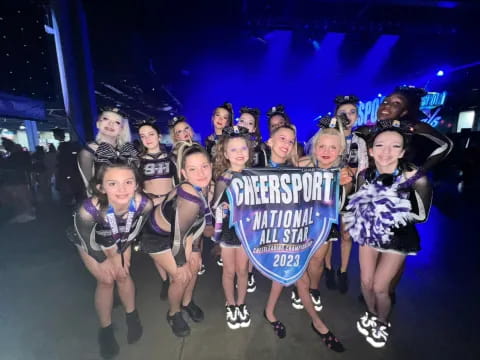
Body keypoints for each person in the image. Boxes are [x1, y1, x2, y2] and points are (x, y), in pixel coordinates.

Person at [344, 126, 432, 348]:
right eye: (380, 145)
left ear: (402, 152)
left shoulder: (414, 176)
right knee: (365, 281)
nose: (387, 152)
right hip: (369, 232)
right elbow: (356, 204)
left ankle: (383, 322)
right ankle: (372, 314)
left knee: (380, 287)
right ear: (371, 150)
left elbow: (421, 216)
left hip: (399, 236)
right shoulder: (366, 174)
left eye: (395, 146)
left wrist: (391, 207)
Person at [68, 156, 153, 359]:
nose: (122, 189)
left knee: (123, 274)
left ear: (137, 185)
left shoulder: (145, 205)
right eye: (113, 183)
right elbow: (86, 239)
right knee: (106, 280)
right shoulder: (89, 210)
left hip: (122, 236)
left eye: (128, 182)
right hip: (91, 241)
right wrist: (106, 258)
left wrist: (119, 253)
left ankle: (132, 317)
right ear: (101, 187)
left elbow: (134, 232)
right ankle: (105, 330)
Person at [139, 143, 212, 337]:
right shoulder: (189, 195)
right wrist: (181, 264)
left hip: (181, 233)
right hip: (156, 236)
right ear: (183, 172)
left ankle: (187, 302)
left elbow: (197, 224)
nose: (201, 172)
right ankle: (173, 313)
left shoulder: (204, 187)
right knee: (181, 275)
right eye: (193, 169)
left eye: (205, 166)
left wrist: (195, 251)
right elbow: (177, 239)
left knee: (195, 266)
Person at [324, 95, 369, 293]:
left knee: (345, 234)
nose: (348, 116)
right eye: (343, 113)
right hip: (328, 194)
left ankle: (342, 272)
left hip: (351, 196)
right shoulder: (325, 136)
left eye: (352, 112)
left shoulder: (360, 142)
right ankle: (327, 268)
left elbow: (364, 170)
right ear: (335, 115)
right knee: (328, 235)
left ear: (357, 116)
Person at [212, 126, 253, 329]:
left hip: (247, 232)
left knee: (243, 270)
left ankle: (241, 303)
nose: (239, 154)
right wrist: (223, 209)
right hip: (228, 232)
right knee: (229, 271)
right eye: (234, 150)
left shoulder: (254, 176)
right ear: (226, 154)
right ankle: (231, 304)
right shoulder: (223, 179)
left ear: (249, 151)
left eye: (243, 148)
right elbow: (215, 207)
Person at [137, 119, 177, 299]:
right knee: (155, 248)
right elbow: (135, 186)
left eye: (151, 134)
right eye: (143, 136)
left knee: (172, 244)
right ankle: (165, 280)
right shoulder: (137, 161)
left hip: (169, 207)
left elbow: (180, 182)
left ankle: (173, 277)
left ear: (159, 136)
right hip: (149, 209)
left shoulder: (172, 157)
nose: (147, 138)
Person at [77, 108, 132, 195]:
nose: (111, 124)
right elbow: (89, 187)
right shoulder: (88, 153)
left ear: (121, 129)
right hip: (103, 200)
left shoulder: (128, 151)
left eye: (117, 122)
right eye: (106, 119)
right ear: (98, 124)